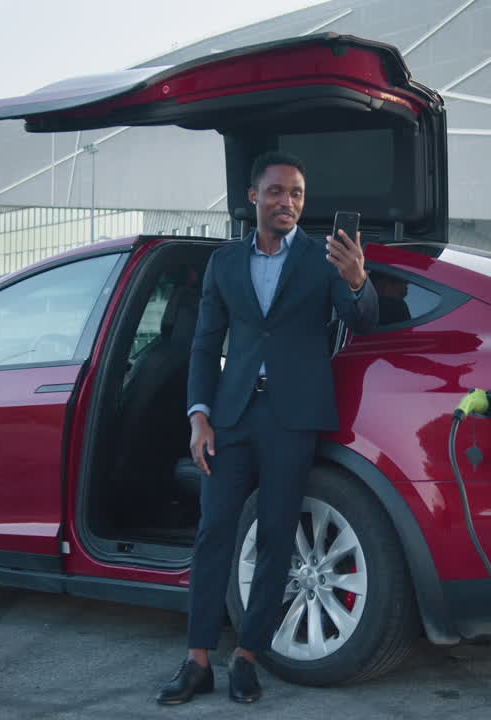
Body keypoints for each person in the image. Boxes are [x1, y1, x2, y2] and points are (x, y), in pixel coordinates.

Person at [155, 151, 378, 705]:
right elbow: (206, 345)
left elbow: (364, 322)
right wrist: (198, 415)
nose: (288, 202)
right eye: (277, 191)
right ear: (253, 197)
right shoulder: (224, 264)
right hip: (231, 417)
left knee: (277, 535)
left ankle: (248, 658)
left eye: (298, 193)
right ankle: (197, 658)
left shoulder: (324, 259)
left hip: (292, 418)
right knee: (214, 534)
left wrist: (356, 281)